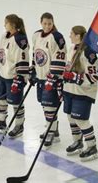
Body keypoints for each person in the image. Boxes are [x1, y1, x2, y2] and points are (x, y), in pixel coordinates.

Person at [0, 14, 30, 137]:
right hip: (2, 74)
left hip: (14, 77)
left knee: (16, 102)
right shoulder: (4, 36)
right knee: (1, 99)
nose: (4, 25)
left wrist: (20, 78)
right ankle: (1, 122)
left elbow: (22, 60)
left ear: (13, 25)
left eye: (6, 23)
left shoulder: (19, 40)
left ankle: (19, 125)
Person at [63, 25, 98, 161]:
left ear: (78, 36)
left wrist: (75, 77)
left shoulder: (89, 53)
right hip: (70, 90)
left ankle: (92, 146)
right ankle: (77, 141)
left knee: (81, 119)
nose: (70, 36)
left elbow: (93, 78)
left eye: (71, 33)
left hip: (83, 92)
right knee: (71, 117)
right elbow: (68, 69)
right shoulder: (72, 48)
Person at [30, 12, 67, 149]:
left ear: (53, 23)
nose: (47, 26)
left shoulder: (57, 37)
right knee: (45, 105)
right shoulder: (36, 35)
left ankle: (50, 132)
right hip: (40, 77)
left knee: (50, 105)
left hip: (52, 79)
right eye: (45, 23)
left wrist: (53, 76)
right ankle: (54, 130)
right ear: (41, 22)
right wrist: (33, 70)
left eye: (49, 23)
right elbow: (35, 54)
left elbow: (61, 57)